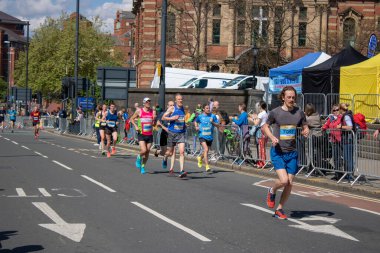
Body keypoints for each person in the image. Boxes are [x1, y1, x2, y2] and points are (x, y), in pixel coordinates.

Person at [262, 86, 309, 220]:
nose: (291, 99)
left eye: (293, 97)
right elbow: (265, 126)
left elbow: (305, 125)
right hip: (278, 152)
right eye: (289, 97)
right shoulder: (275, 113)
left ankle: (279, 208)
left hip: (292, 152)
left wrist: (306, 130)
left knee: (289, 182)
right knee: (283, 181)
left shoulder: (299, 113)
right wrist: (272, 137)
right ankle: (272, 190)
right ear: (283, 97)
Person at [161, 93, 188, 178]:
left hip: (181, 133)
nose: (180, 100)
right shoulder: (172, 108)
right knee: (170, 152)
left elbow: (182, 119)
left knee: (182, 152)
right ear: (176, 100)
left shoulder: (183, 109)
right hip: (172, 133)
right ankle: (165, 157)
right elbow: (163, 118)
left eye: (181, 99)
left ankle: (181, 170)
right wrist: (172, 118)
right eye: (179, 99)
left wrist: (185, 124)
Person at [131, 97, 156, 174]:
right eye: (147, 102)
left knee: (147, 152)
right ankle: (139, 157)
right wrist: (135, 126)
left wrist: (154, 119)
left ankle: (143, 166)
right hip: (141, 134)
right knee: (144, 150)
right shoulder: (139, 111)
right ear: (144, 103)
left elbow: (154, 124)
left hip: (149, 134)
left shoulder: (152, 111)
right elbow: (131, 119)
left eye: (149, 101)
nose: (148, 103)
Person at [195, 103, 219, 172]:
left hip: (209, 136)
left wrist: (213, 122)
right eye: (207, 108)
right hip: (202, 135)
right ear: (203, 109)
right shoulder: (200, 116)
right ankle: (207, 166)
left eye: (209, 108)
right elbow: (196, 122)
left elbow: (217, 125)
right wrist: (196, 126)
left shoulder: (213, 116)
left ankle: (200, 158)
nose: (208, 109)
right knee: (205, 149)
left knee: (206, 151)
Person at [322, 104, 343, 180]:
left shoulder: (341, 118)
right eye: (334, 110)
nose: (336, 111)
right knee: (335, 158)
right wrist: (323, 128)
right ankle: (337, 174)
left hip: (341, 140)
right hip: (333, 140)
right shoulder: (331, 118)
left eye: (337, 110)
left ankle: (342, 174)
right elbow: (326, 125)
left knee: (340, 158)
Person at [339, 103, 355, 182]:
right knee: (348, 158)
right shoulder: (348, 114)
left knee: (348, 158)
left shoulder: (346, 116)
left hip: (348, 140)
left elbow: (350, 127)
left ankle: (350, 177)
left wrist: (341, 127)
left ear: (341, 109)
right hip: (348, 139)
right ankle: (349, 175)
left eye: (339, 109)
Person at [251, 101, 268, 167]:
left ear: (260, 106)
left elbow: (256, 123)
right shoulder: (266, 113)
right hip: (265, 131)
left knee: (261, 148)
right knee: (263, 148)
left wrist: (253, 118)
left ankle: (261, 163)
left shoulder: (261, 114)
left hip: (261, 132)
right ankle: (262, 162)